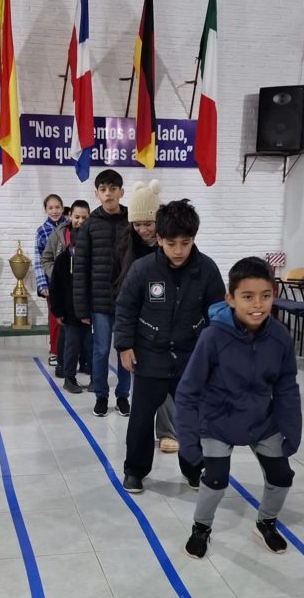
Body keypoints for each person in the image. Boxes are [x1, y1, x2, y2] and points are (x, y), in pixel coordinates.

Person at [177, 256, 302, 559]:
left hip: (261, 420)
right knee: (216, 479)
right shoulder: (213, 337)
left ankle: (266, 522)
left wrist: (291, 430)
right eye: (247, 296)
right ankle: (201, 527)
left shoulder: (280, 337)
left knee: (282, 475)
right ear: (230, 299)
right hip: (217, 421)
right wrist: (189, 443)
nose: (257, 304)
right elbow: (188, 392)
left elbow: (287, 387)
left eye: (266, 295)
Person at [115, 198, 225, 494]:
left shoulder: (207, 270)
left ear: (193, 239)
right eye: (171, 243)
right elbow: (125, 308)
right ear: (159, 239)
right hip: (149, 355)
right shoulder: (142, 269)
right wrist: (124, 345)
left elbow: (217, 315)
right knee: (140, 419)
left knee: (192, 419)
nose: (178, 250)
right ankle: (135, 471)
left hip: (190, 358)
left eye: (185, 243)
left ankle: (194, 469)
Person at [116, 180, 178, 454]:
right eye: (137, 224)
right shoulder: (126, 246)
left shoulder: (171, 248)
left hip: (167, 327)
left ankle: (167, 431)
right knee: (143, 385)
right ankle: (139, 438)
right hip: (138, 327)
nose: (143, 229)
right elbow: (120, 287)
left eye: (148, 223)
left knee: (166, 384)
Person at [73, 169, 131, 417]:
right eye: (103, 189)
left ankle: (122, 396)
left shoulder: (132, 220)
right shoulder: (89, 226)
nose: (108, 194)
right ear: (96, 194)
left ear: (121, 192)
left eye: (113, 189)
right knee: (100, 350)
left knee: (126, 349)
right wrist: (82, 307)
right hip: (99, 302)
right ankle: (100, 396)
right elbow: (81, 268)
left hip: (128, 301)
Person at [42, 199, 91, 378]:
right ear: (70, 215)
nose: (80, 221)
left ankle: (86, 364)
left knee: (86, 334)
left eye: (84, 217)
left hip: (84, 293)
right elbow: (46, 258)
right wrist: (58, 274)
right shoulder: (58, 233)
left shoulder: (93, 234)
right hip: (64, 290)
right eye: (77, 217)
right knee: (66, 332)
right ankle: (63, 366)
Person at [49, 224, 93, 394]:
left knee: (91, 347)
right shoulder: (62, 260)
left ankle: (94, 378)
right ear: (72, 245)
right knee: (71, 347)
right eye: (77, 249)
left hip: (89, 313)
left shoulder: (91, 261)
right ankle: (69, 378)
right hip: (69, 314)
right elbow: (55, 289)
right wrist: (58, 312)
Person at [33, 193, 66, 366]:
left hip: (71, 281)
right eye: (50, 208)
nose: (54, 211)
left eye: (57, 207)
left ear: (62, 207)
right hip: (52, 281)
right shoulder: (42, 231)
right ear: (46, 210)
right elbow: (39, 260)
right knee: (55, 317)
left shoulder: (70, 226)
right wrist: (42, 284)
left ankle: (71, 351)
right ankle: (54, 351)